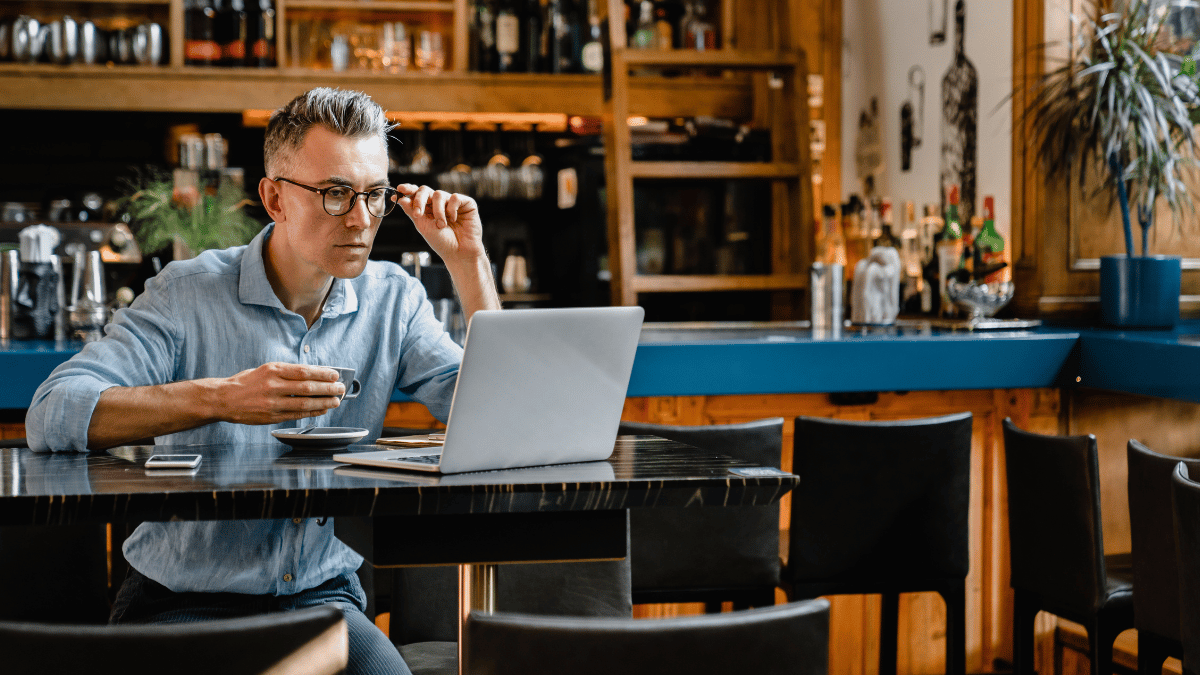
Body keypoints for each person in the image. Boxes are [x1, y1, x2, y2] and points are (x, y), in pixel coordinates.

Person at [25, 87, 501, 674]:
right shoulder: (185, 294)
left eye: (375, 195)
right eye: (335, 194)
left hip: (326, 603)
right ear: (275, 198)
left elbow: (497, 418)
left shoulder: (394, 300)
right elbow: (53, 411)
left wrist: (468, 263)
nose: (361, 219)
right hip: (182, 603)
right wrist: (221, 398)